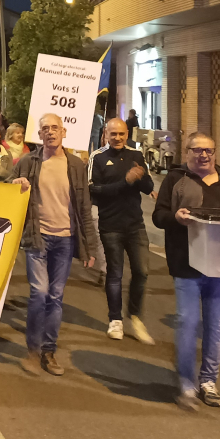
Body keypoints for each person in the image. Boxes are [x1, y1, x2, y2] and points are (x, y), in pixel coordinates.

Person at [152, 132, 220, 411]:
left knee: (217, 326)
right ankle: (186, 384)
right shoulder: (176, 179)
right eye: (197, 150)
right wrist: (176, 217)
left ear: (215, 152)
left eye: (209, 150)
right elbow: (159, 216)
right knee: (187, 322)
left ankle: (208, 381)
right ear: (187, 152)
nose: (203, 155)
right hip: (186, 265)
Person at [9, 113, 97, 377]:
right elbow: (5, 190)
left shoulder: (76, 166)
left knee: (56, 297)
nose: (50, 132)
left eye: (54, 128)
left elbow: (84, 207)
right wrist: (15, 184)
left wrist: (89, 247)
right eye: (45, 128)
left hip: (66, 239)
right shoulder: (27, 162)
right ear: (40, 134)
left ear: (64, 132)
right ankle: (32, 351)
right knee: (39, 293)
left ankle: (49, 350)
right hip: (38, 236)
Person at [89, 118, 155, 344]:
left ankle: (135, 317)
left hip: (135, 224)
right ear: (105, 134)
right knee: (115, 274)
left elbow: (147, 189)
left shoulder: (136, 155)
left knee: (142, 272)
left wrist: (142, 176)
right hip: (110, 225)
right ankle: (115, 320)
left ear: (128, 134)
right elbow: (94, 191)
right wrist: (125, 182)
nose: (117, 138)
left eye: (122, 134)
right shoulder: (97, 157)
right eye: (113, 134)